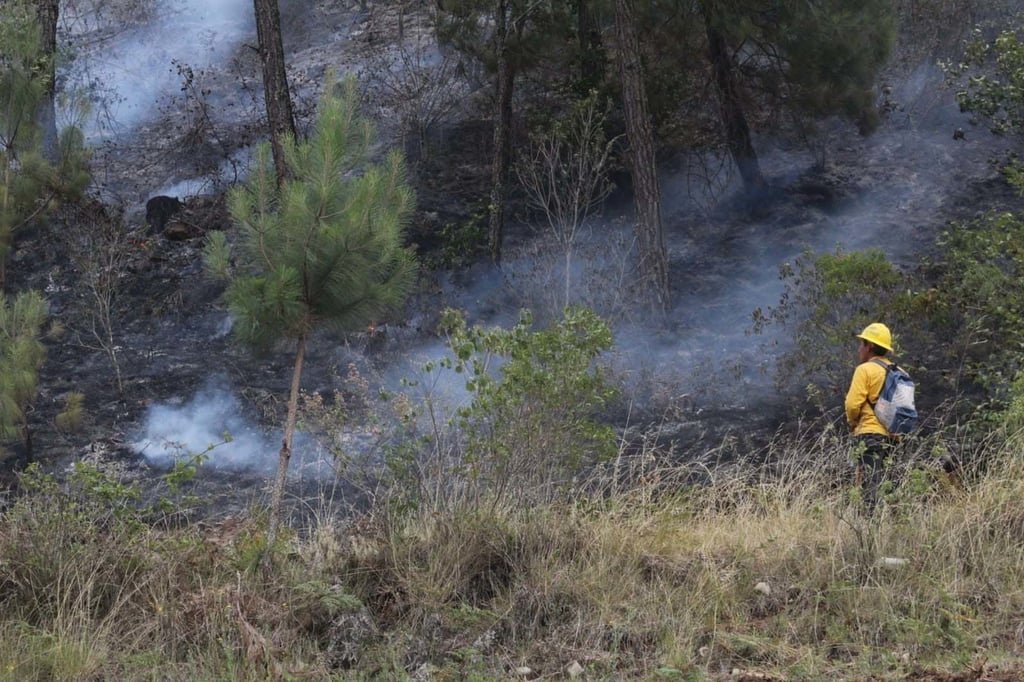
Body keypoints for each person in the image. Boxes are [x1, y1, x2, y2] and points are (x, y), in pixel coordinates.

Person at [845, 322, 899, 511]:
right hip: (894, 437)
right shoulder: (899, 372)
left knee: (870, 489)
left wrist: (852, 423)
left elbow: (852, 404)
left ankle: (871, 525)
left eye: (862, 344)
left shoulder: (865, 369)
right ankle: (892, 524)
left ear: (870, 346)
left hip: (870, 435)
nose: (859, 349)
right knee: (890, 489)